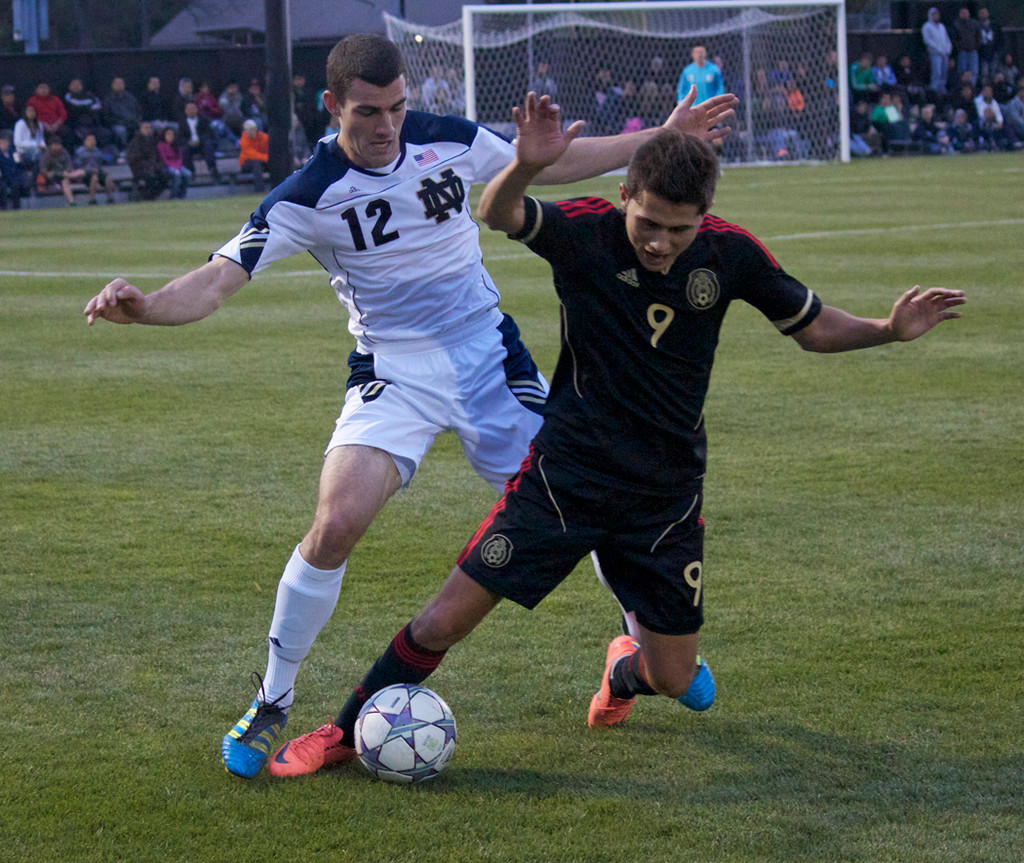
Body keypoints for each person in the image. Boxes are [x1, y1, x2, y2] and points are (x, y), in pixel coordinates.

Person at [82, 33, 737, 780]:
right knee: (334, 524)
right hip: (394, 375)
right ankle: (272, 698)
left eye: (396, 108)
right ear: (332, 107)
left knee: (587, 492)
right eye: (368, 112)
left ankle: (638, 639)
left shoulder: (447, 140)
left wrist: (660, 138)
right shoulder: (307, 193)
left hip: (490, 358)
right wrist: (146, 306)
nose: (387, 125)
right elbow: (217, 279)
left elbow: (549, 155)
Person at [266, 96, 966, 778]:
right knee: (445, 618)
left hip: (664, 496)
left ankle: (622, 671)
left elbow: (810, 325)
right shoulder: (587, 233)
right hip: (564, 477)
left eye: (679, 230)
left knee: (675, 675)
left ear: (704, 219)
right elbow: (498, 211)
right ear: (626, 192)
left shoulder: (731, 256)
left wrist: (884, 330)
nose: (661, 243)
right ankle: (344, 731)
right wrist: (525, 166)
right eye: (650, 223)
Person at [124, 121, 168, 200]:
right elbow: (134, 159)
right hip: (140, 170)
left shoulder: (153, 141)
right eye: (146, 128)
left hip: (154, 168)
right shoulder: (135, 142)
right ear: (140, 129)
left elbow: (159, 157)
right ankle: (146, 198)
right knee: (149, 178)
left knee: (164, 178)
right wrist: (149, 165)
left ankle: (150, 197)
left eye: (150, 128)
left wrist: (158, 165)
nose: (148, 130)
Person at [179, 101, 221, 183]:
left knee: (208, 145)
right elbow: (180, 137)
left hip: (202, 143)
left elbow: (209, 133)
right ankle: (191, 172)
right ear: (185, 110)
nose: (191, 110)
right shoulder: (182, 123)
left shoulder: (204, 120)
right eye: (189, 109)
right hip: (189, 144)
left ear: (196, 109)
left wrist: (199, 140)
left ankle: (213, 171)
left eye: (193, 108)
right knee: (184, 150)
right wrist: (189, 142)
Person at [38, 135, 85, 205]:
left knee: (82, 172)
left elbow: (69, 164)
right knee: (65, 181)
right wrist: (47, 173)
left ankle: (70, 176)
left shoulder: (64, 152)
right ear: (51, 145)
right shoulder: (46, 154)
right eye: (55, 145)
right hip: (54, 176)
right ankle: (72, 201)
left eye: (58, 145)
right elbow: (42, 168)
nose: (57, 147)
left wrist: (67, 171)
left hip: (65, 174)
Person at [74, 132, 117, 204]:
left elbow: (100, 164)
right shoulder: (80, 152)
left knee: (107, 179)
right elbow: (77, 166)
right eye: (89, 140)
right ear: (85, 142)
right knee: (94, 178)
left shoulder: (97, 152)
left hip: (97, 172)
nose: (92, 142)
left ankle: (110, 198)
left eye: (93, 140)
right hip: (85, 174)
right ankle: (92, 199)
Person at [103, 77, 141, 150]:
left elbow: (139, 112)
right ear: (112, 85)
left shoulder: (131, 98)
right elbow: (106, 117)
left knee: (146, 128)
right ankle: (124, 151)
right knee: (121, 130)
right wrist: (123, 122)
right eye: (116, 83)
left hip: (133, 123)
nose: (119, 85)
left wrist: (137, 121)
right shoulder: (108, 99)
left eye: (121, 83)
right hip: (118, 124)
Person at [922, 7, 953, 96]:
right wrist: (937, 48)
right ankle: (934, 89)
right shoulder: (927, 26)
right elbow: (927, 40)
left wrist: (948, 48)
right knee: (937, 72)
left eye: (937, 14)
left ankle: (942, 89)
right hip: (935, 53)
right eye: (934, 14)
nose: (936, 16)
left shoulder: (942, 26)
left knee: (944, 72)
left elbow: (946, 38)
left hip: (944, 53)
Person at [951, 7, 982, 87]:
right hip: (962, 52)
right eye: (962, 13)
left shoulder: (975, 23)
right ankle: (963, 88)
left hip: (973, 51)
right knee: (962, 71)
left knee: (974, 71)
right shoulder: (956, 24)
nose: (964, 14)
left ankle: (972, 88)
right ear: (960, 14)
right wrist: (959, 47)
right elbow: (954, 38)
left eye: (965, 13)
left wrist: (976, 47)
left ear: (969, 14)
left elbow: (979, 36)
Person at [0, 128, 31, 209]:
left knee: (16, 185)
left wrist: (20, 160)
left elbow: (19, 165)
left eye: (6, 142)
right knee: (2, 187)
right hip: (3, 177)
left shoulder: (13, 152)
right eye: (2, 143)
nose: (4, 144)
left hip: (14, 176)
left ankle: (16, 207)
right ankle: (3, 208)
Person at [13, 104, 46, 178]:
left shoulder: (39, 124)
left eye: (33, 111)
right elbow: (17, 142)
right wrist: (35, 145)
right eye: (29, 111)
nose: (31, 113)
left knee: (44, 155)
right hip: (22, 152)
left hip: (35, 153)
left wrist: (43, 145)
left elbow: (40, 139)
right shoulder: (20, 124)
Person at [157, 127, 191, 198]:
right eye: (168, 134)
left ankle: (182, 193)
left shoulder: (177, 145)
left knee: (187, 173)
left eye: (172, 134)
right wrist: (174, 167)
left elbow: (180, 158)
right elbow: (164, 159)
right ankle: (174, 195)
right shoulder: (161, 145)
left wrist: (177, 166)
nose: (170, 136)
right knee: (176, 173)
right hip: (166, 167)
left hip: (177, 166)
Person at [237, 118, 268, 193]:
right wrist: (267, 158)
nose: (250, 131)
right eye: (248, 130)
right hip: (246, 163)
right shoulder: (244, 139)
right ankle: (260, 190)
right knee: (256, 162)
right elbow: (251, 154)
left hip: (263, 161)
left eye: (252, 129)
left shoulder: (264, 137)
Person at [977, 8, 1000, 85]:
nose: (983, 14)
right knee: (984, 74)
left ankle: (993, 90)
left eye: (984, 12)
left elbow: (1000, 39)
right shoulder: (977, 26)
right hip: (983, 52)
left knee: (994, 73)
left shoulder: (994, 25)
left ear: (988, 14)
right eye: (981, 13)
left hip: (993, 51)